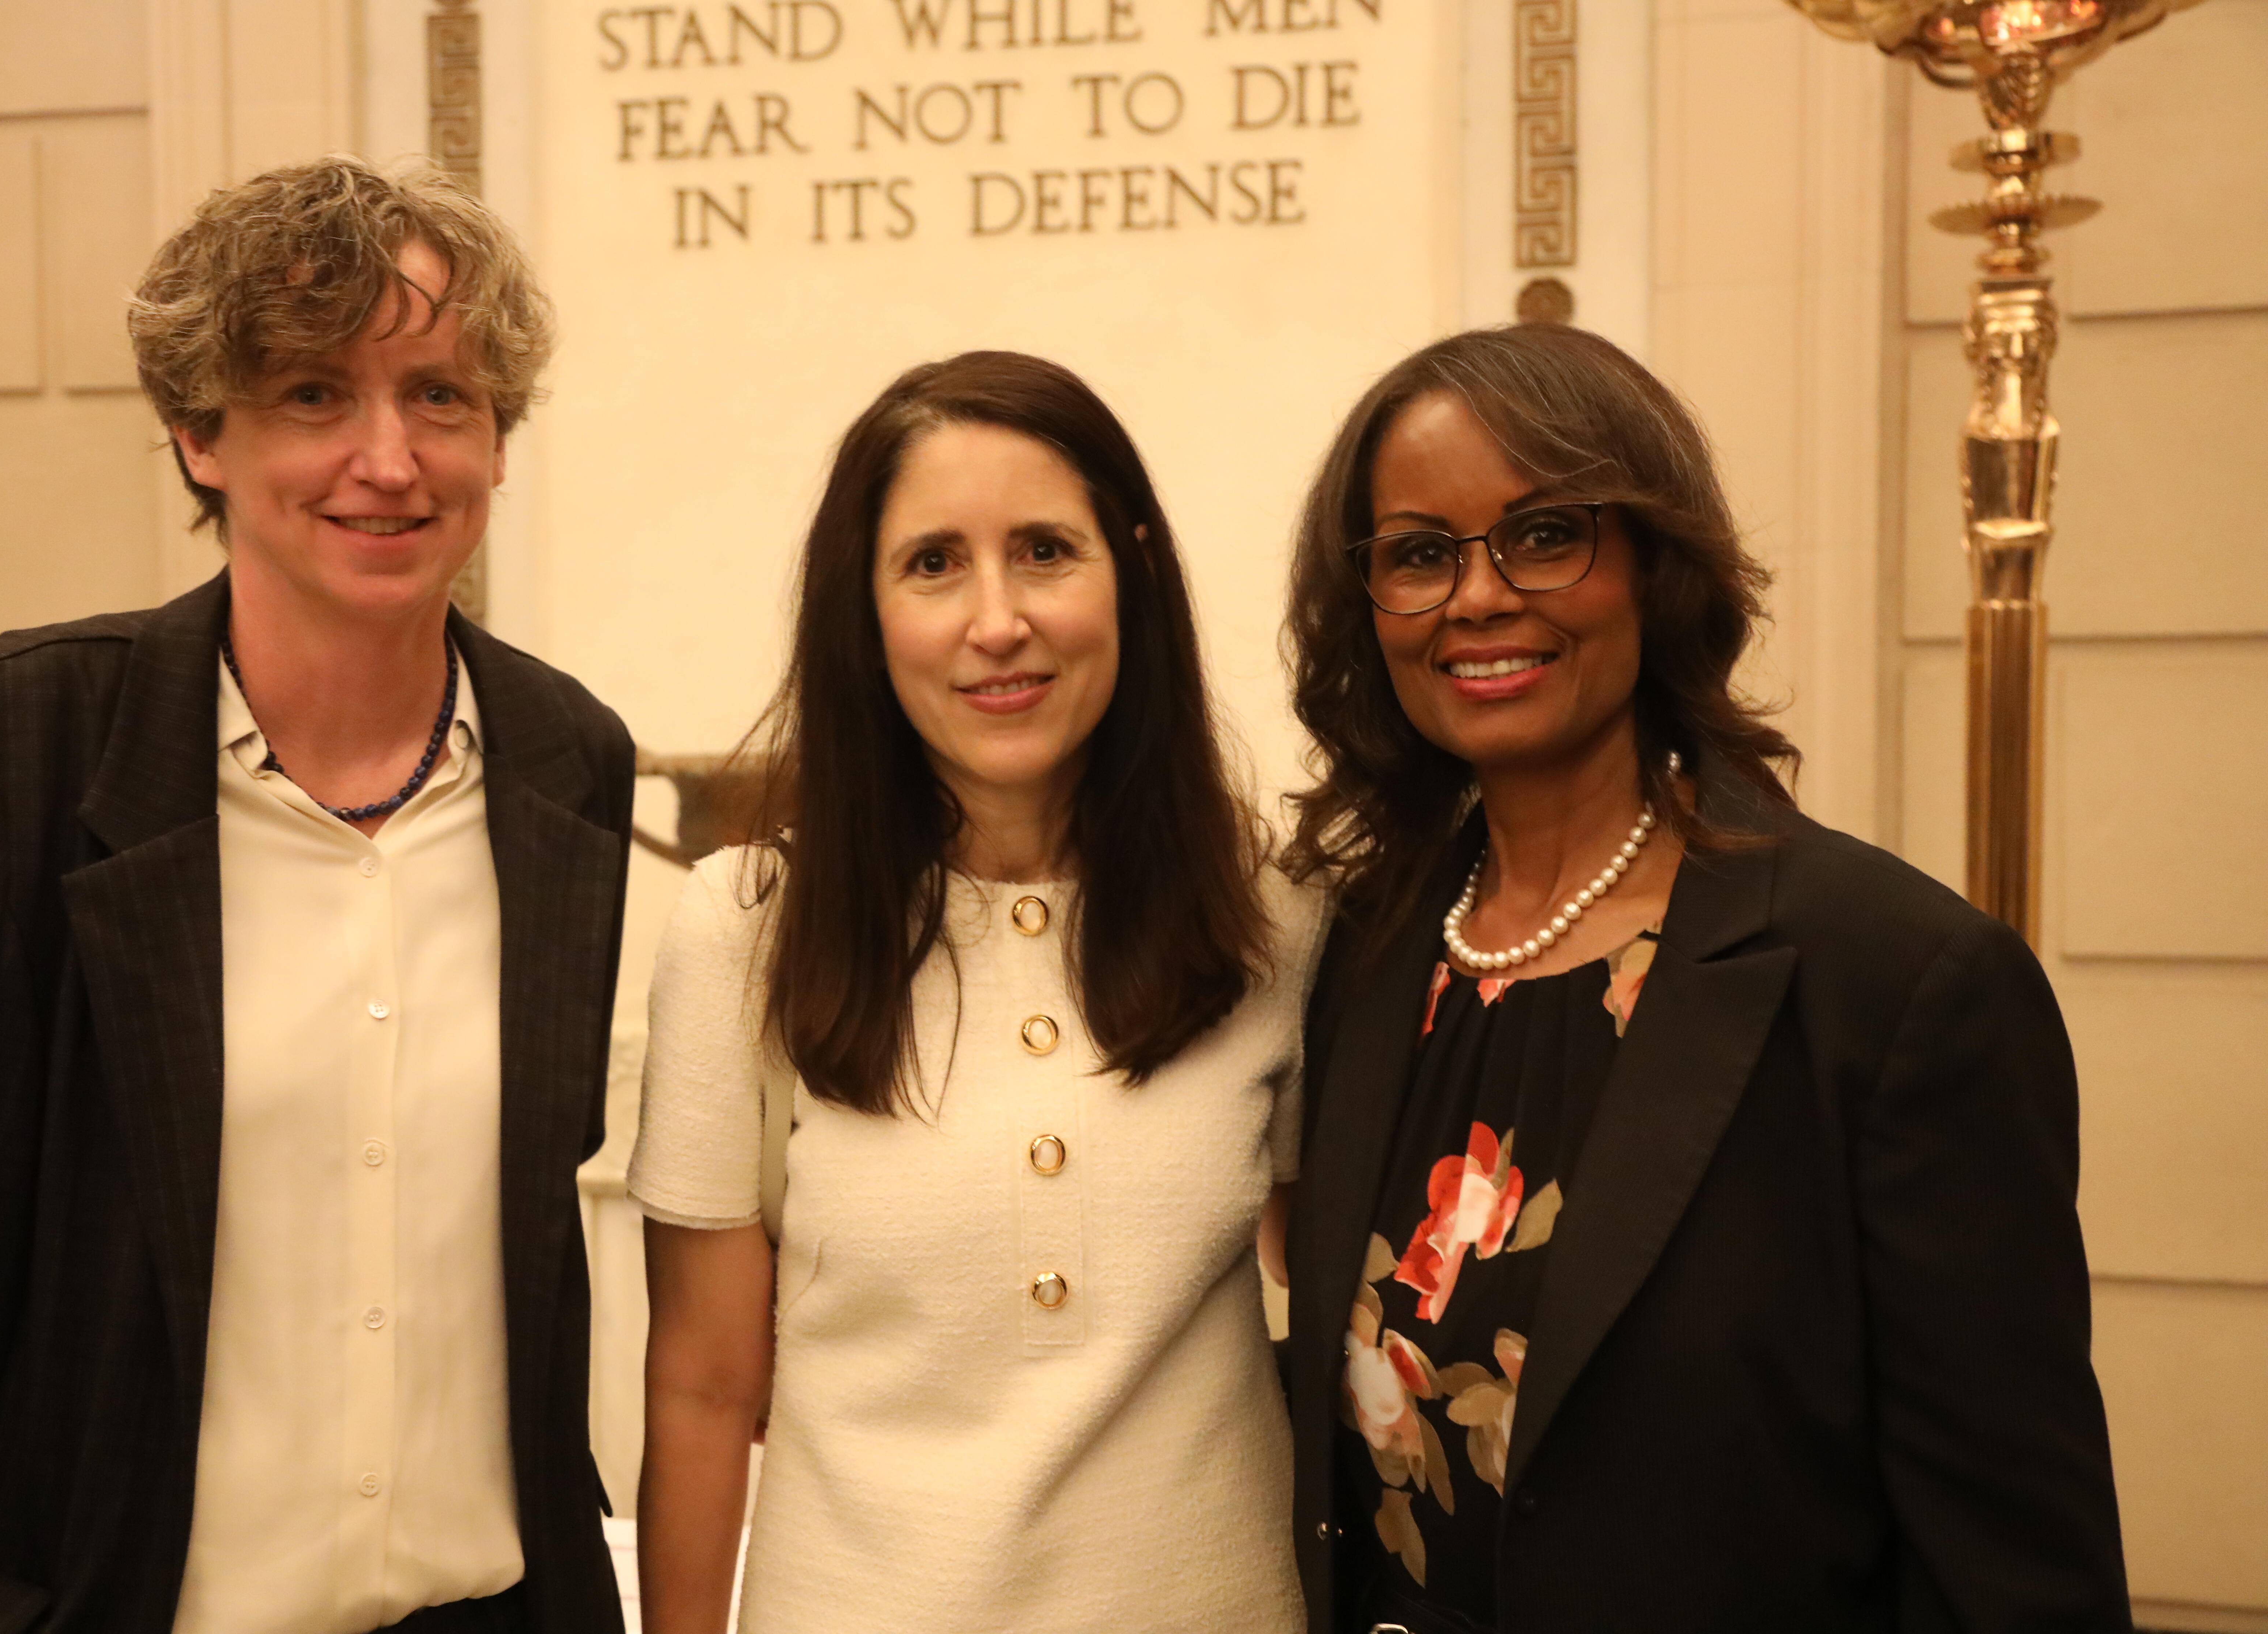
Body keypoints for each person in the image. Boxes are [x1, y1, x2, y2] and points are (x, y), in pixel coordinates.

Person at [0, 157, 634, 1631]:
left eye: (440, 395)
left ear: (501, 438)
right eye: (313, 394)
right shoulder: (21, 745)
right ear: (200, 433)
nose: (387, 459)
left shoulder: (568, 762)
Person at [1278, 325, 2130, 1634]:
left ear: (1654, 569)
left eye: (1544, 534)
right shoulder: (1361, 961)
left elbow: (2013, 1571)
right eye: (1419, 555)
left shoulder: (1895, 987)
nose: (1478, 597)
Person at [629, 351, 1321, 1634]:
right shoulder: (744, 927)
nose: (996, 620)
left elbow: (1350, 1306)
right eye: (934, 562)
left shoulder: (1277, 915)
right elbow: (706, 1390)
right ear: (866, 614)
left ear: (1133, 577)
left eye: (1046, 551)